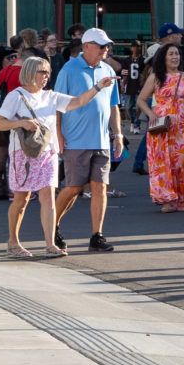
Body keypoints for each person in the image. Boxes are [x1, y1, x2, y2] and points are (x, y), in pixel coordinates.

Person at [0, 54, 114, 257]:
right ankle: (13, 242)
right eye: (43, 72)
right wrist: (21, 123)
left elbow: (77, 102)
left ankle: (50, 244)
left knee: (49, 198)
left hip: (47, 152)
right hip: (23, 153)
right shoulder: (16, 95)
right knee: (21, 200)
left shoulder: (51, 96)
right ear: (31, 72)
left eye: (48, 72)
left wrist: (98, 87)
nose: (47, 76)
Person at [53, 27, 125, 252]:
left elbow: (113, 106)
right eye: (101, 46)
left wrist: (118, 134)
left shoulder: (107, 69)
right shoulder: (69, 68)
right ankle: (51, 225)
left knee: (100, 187)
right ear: (86, 46)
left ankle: (97, 235)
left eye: (107, 46)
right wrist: (58, 134)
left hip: (101, 139)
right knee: (73, 187)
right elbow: (57, 104)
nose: (105, 50)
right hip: (75, 139)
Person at [137, 41, 184, 212]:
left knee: (179, 162)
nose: (175, 57)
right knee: (162, 162)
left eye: (177, 54)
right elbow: (141, 99)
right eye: (171, 54)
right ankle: (166, 200)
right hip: (161, 125)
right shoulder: (156, 76)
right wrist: (151, 114)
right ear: (163, 58)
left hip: (181, 125)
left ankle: (179, 199)